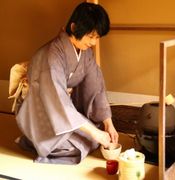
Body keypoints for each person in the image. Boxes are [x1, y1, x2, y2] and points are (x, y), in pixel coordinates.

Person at [15, 2, 119, 164]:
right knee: (79, 146)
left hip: (60, 112)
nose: (93, 43)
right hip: (39, 111)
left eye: (97, 37)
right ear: (74, 27)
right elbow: (57, 100)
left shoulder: (85, 53)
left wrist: (108, 123)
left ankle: (76, 132)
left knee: (95, 137)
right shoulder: (52, 54)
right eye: (90, 36)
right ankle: (32, 138)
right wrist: (95, 134)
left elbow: (96, 87)